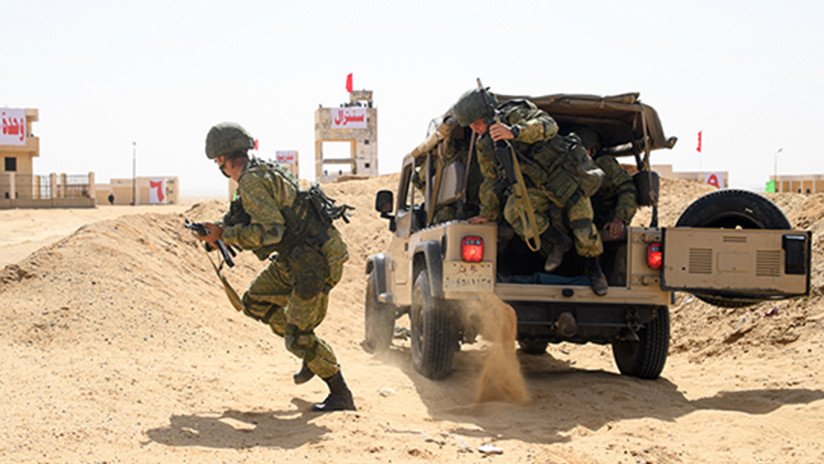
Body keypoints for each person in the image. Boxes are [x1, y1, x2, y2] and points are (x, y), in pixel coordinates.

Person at [193, 122, 356, 412]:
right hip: (297, 257)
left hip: (314, 264)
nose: (218, 165)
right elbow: (242, 215)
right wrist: (217, 231)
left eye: (217, 160)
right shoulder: (259, 172)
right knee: (255, 302)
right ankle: (311, 353)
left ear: (224, 158)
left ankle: (340, 393)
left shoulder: (252, 181)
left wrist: (225, 236)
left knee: (298, 337)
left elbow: (270, 232)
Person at [450, 88, 608, 296]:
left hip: (564, 177)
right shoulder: (484, 145)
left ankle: (593, 269)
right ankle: (558, 242)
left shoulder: (517, 113)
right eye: (470, 125)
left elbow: (549, 126)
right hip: (535, 186)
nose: (474, 128)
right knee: (514, 212)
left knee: (583, 228)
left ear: (487, 115)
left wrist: (515, 132)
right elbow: (490, 179)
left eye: (476, 122)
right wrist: (487, 215)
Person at [570, 126, 638, 240]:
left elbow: (627, 189)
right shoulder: (566, 164)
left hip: (601, 219)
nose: (578, 154)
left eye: (582, 150)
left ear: (592, 151)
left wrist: (619, 219)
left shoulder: (605, 165)